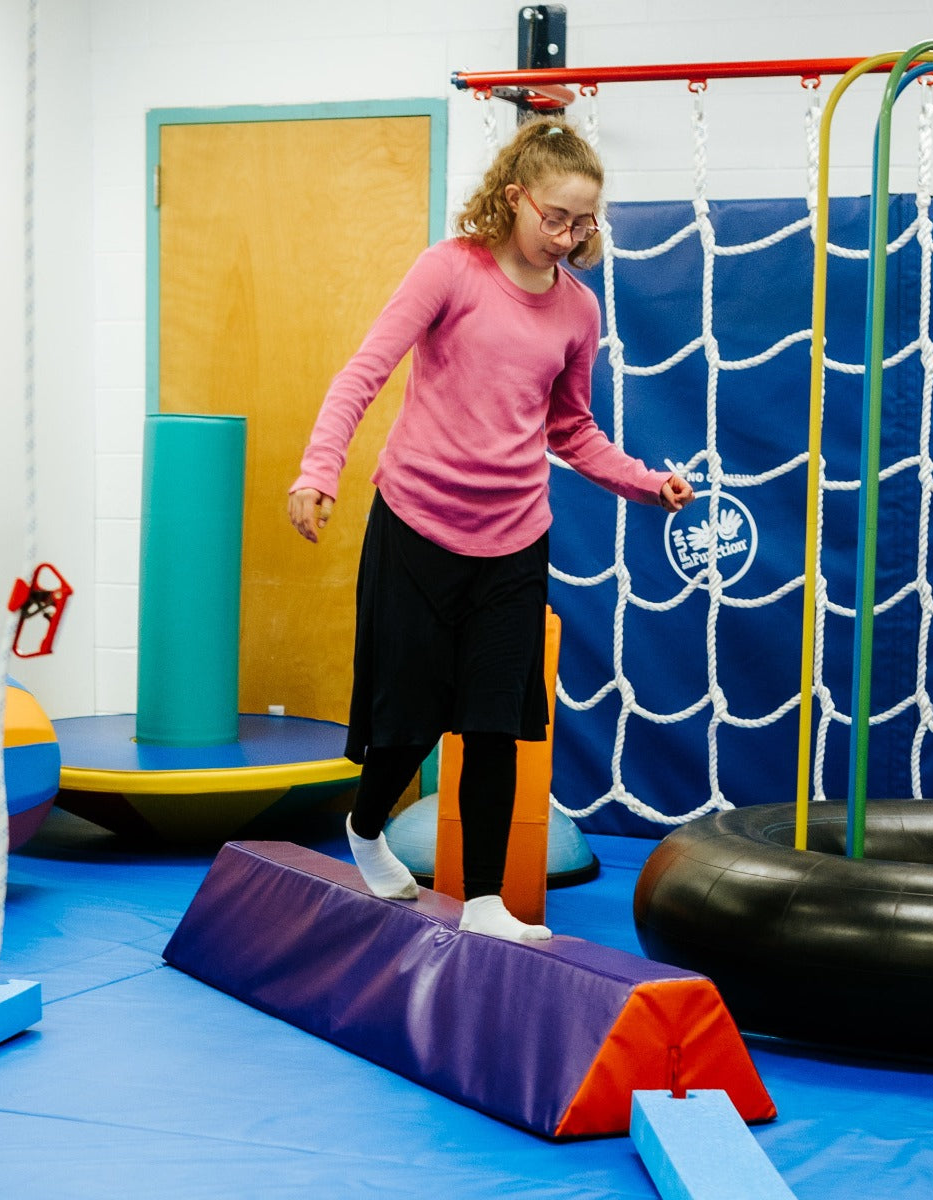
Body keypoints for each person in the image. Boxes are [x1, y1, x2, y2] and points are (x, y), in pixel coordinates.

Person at [288, 116, 694, 943]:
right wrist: (318, 470)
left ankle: (481, 901)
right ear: (514, 198)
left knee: (494, 725)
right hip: (415, 529)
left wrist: (646, 485)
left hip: (513, 541)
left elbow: (571, 429)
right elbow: (364, 374)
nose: (571, 236)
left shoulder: (578, 312)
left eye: (585, 222)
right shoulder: (450, 272)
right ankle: (366, 828)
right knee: (402, 724)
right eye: (557, 217)